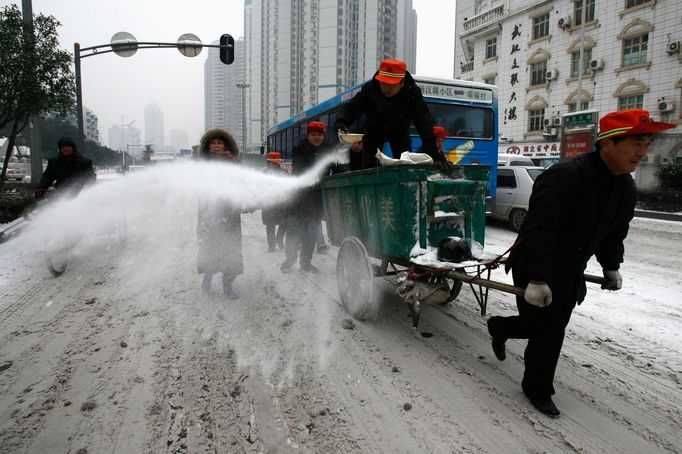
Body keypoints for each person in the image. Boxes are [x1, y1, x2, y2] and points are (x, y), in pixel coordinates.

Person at [486, 109, 676, 418]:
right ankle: (537, 389)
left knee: (546, 325)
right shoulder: (566, 177)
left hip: (571, 267)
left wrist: (611, 266)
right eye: (635, 143)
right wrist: (536, 279)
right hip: (536, 260)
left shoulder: (624, 187)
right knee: (549, 330)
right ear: (607, 144)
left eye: (647, 143)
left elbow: (614, 232)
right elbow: (539, 230)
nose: (643, 152)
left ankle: (500, 326)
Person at [333, 58, 447, 169]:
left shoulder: (412, 93)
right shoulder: (370, 89)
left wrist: (435, 154)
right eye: (384, 83)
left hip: (400, 130)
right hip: (374, 129)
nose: (387, 88)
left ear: (402, 83)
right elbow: (351, 108)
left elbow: (424, 122)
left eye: (391, 84)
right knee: (369, 166)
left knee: (405, 164)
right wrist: (341, 123)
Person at [196, 128, 243, 299]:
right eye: (213, 143)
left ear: (226, 145)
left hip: (230, 214)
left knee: (231, 249)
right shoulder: (202, 165)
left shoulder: (234, 162)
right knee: (209, 247)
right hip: (208, 214)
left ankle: (227, 284)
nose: (216, 146)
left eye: (219, 143)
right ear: (207, 147)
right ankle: (207, 276)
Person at [281, 121, 327, 273]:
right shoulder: (299, 148)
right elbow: (300, 169)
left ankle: (306, 263)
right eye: (313, 134)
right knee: (294, 233)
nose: (316, 138)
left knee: (311, 235)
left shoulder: (327, 149)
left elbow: (337, 164)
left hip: (315, 201)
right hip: (298, 200)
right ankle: (290, 259)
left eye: (319, 135)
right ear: (308, 136)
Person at [261, 152, 288, 252]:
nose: (274, 165)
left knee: (284, 223)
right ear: (268, 162)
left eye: (276, 163)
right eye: (272, 162)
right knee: (270, 225)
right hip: (268, 203)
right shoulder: (263, 173)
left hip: (281, 202)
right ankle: (271, 245)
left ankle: (279, 238)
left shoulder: (284, 173)